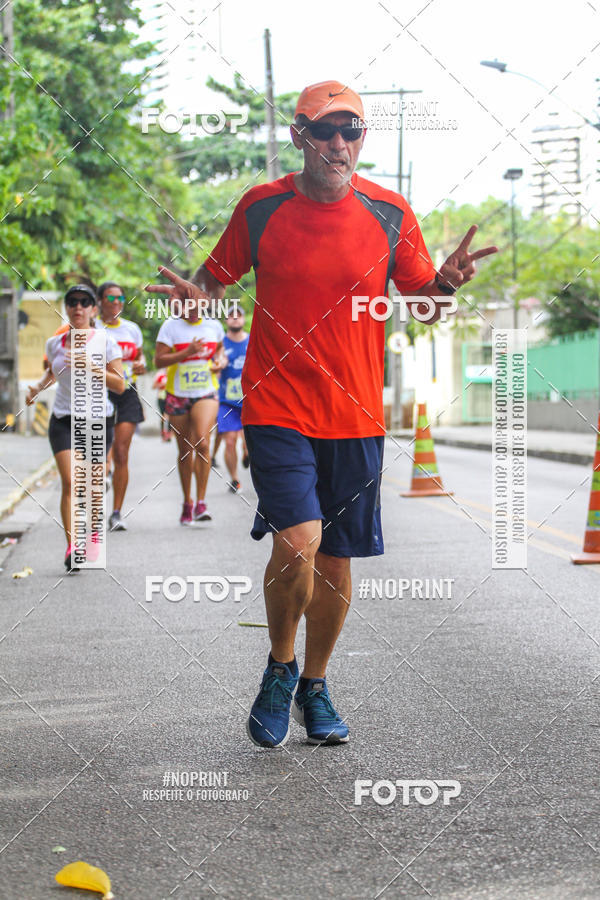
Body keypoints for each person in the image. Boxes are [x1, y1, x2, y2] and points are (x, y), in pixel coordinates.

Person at [146, 80, 497, 748]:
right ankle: (279, 666)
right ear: (299, 136)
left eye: (352, 131)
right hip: (278, 404)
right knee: (298, 539)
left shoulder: (390, 212)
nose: (340, 144)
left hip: (358, 414)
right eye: (326, 131)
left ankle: (315, 682)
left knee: (336, 559)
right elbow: (211, 288)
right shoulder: (261, 209)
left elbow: (422, 303)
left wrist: (446, 283)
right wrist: (196, 304)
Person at [26, 284, 125, 571]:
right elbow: (51, 374)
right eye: (72, 302)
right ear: (66, 309)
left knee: (93, 485)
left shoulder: (106, 342)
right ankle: (73, 546)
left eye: (84, 302)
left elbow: (120, 384)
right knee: (70, 482)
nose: (78, 307)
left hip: (97, 419)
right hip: (63, 419)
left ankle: (93, 533)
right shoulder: (53, 343)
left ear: (94, 310)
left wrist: (90, 366)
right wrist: (34, 389)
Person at [154, 296, 226, 524]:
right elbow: (158, 361)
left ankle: (201, 503)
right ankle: (188, 502)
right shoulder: (170, 327)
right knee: (185, 450)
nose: (192, 310)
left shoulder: (213, 326)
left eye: (196, 305)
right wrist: (187, 352)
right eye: (186, 306)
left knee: (202, 443)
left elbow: (220, 351)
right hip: (177, 394)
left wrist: (220, 362)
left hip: (206, 391)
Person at [96, 282, 146, 532]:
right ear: (100, 302)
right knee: (102, 451)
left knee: (122, 453)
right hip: (97, 392)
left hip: (127, 392)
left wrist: (141, 365)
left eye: (120, 297)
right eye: (110, 297)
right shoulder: (92, 329)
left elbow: (140, 357)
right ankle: (102, 479)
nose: (116, 302)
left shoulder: (132, 330)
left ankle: (116, 513)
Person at [213, 303, 250, 492]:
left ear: (244, 319)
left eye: (239, 315)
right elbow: (212, 370)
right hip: (226, 401)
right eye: (231, 315)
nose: (235, 318)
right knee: (229, 441)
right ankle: (235, 479)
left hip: (250, 400)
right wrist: (219, 366)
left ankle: (247, 452)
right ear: (226, 320)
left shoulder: (252, 341)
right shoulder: (220, 344)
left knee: (248, 441)